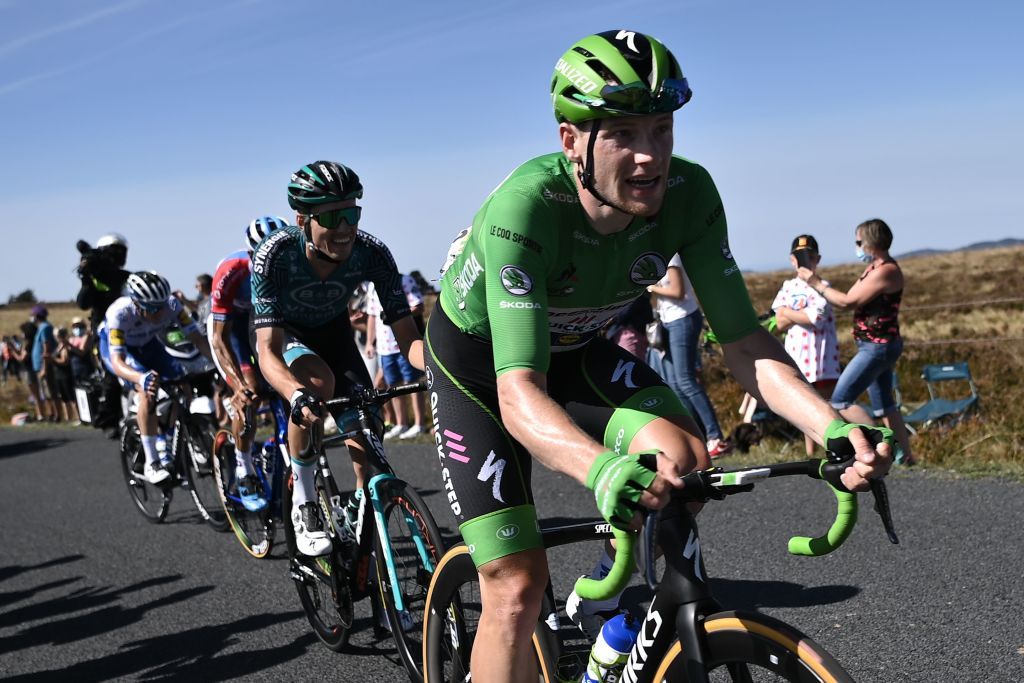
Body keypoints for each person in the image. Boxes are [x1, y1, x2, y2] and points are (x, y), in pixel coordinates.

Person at [424, 30, 893, 683]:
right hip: (480, 366)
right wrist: (602, 469)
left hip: (576, 350)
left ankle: (618, 619)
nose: (649, 157)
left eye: (662, 129)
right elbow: (518, 393)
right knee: (516, 586)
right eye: (623, 134)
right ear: (571, 141)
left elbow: (747, 344)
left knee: (684, 458)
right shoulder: (526, 210)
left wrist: (831, 424)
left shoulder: (691, 196)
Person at [251, 161, 424, 557]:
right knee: (315, 386)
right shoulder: (274, 254)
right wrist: (295, 396)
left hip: (334, 335)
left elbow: (410, 341)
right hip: (285, 335)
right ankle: (306, 501)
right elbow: (267, 350)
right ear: (302, 219)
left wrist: (441, 368)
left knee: (367, 428)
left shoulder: (372, 253)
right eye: (332, 216)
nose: (345, 227)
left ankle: (360, 517)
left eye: (352, 213)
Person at [798, 218, 914, 465]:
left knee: (840, 400)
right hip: (875, 344)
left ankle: (879, 447)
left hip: (877, 347)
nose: (857, 246)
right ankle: (904, 457)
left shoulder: (885, 270)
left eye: (859, 241)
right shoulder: (875, 268)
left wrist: (815, 283)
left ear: (870, 241)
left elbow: (847, 301)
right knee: (884, 405)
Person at [98, 271, 214, 484]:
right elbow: (118, 362)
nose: (159, 313)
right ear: (136, 303)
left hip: (150, 345)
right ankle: (152, 462)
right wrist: (139, 379)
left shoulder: (171, 305)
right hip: (120, 351)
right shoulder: (120, 313)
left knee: (183, 382)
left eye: (161, 306)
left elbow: (198, 340)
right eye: (152, 308)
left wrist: (219, 365)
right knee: (148, 390)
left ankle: (178, 437)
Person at [207, 215, 289, 511]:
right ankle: (244, 469)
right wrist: (238, 384)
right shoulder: (232, 270)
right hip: (231, 327)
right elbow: (219, 338)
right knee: (250, 394)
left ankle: (278, 449)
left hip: (261, 320)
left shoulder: (293, 264)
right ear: (252, 254)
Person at [647, 254, 731, 456]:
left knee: (685, 381)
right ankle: (698, 437)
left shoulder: (671, 257)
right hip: (669, 321)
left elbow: (678, 291)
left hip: (681, 319)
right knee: (674, 383)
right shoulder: (659, 256)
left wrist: (651, 288)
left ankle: (715, 437)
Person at [772, 235, 841, 456]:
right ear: (792, 260)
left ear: (817, 259)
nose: (805, 261)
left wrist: (788, 313)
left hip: (823, 359)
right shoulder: (788, 287)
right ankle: (811, 453)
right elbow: (779, 321)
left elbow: (816, 316)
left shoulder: (823, 288)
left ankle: (834, 448)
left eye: (810, 256)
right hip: (797, 356)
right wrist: (794, 315)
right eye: (800, 257)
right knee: (807, 405)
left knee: (828, 404)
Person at [76, 232, 131, 433]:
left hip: (131, 328)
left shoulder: (127, 277)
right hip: (104, 332)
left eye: (121, 250)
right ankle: (109, 419)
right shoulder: (95, 278)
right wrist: (86, 279)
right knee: (111, 374)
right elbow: (83, 302)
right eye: (113, 250)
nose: (117, 254)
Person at [365, 276, 427, 440]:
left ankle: (419, 424)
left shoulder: (404, 280)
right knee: (392, 386)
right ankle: (402, 423)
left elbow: (419, 306)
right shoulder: (372, 286)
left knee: (412, 383)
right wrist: (369, 343)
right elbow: (372, 316)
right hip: (384, 348)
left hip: (405, 342)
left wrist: (396, 314)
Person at [30, 305, 60, 422]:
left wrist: (44, 368)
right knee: (45, 392)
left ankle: (56, 414)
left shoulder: (45, 327)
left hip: (45, 365)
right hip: (39, 365)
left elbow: (46, 347)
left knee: (50, 391)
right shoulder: (41, 327)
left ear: (37, 316)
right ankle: (51, 413)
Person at [52, 327, 80, 423]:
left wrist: (52, 359)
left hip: (65, 375)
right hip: (58, 375)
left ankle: (77, 417)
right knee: (63, 398)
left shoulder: (65, 346)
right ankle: (68, 418)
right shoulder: (59, 346)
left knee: (71, 397)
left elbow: (65, 361)